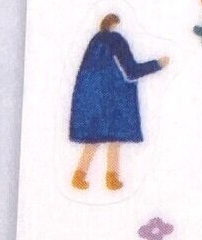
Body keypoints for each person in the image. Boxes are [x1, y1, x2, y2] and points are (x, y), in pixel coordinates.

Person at [69, 14, 166, 190]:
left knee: (93, 140)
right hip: (112, 100)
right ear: (115, 25)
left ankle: (80, 175)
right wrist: (157, 64)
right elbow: (132, 71)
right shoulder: (116, 40)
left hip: (92, 100)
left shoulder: (95, 42)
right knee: (115, 139)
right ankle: (111, 178)